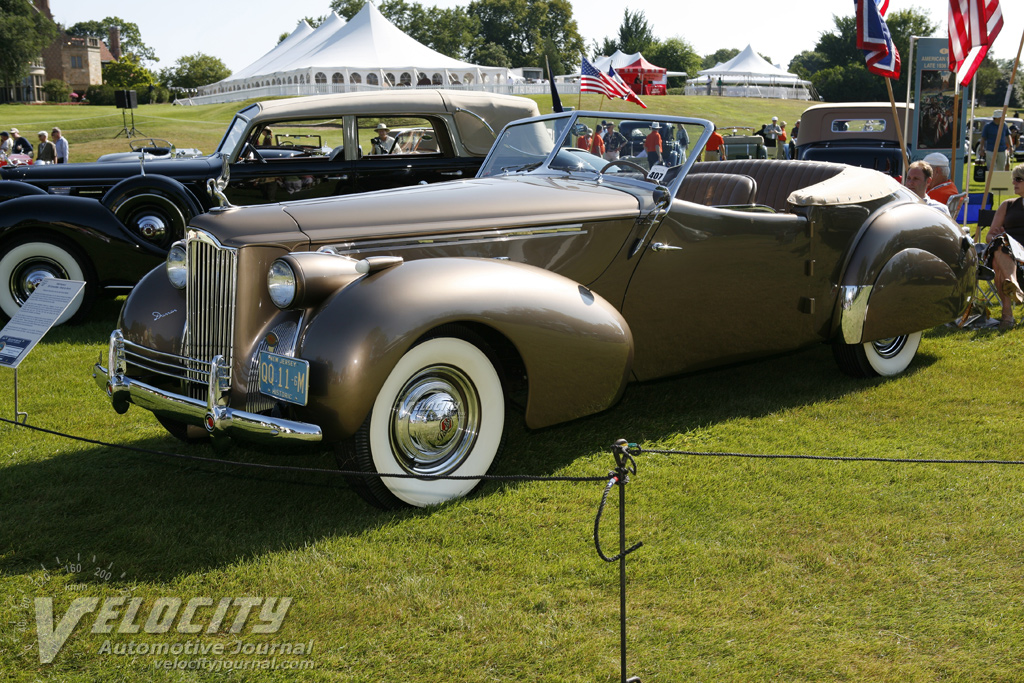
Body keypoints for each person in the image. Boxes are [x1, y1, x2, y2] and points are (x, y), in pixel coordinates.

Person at [983, 164, 1024, 330]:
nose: (1014, 182)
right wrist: (998, 236)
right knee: (999, 244)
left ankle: (1007, 316)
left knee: (998, 264)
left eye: (1019, 179)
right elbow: (989, 236)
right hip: (1009, 249)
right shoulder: (1008, 205)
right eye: (1013, 179)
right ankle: (1012, 282)